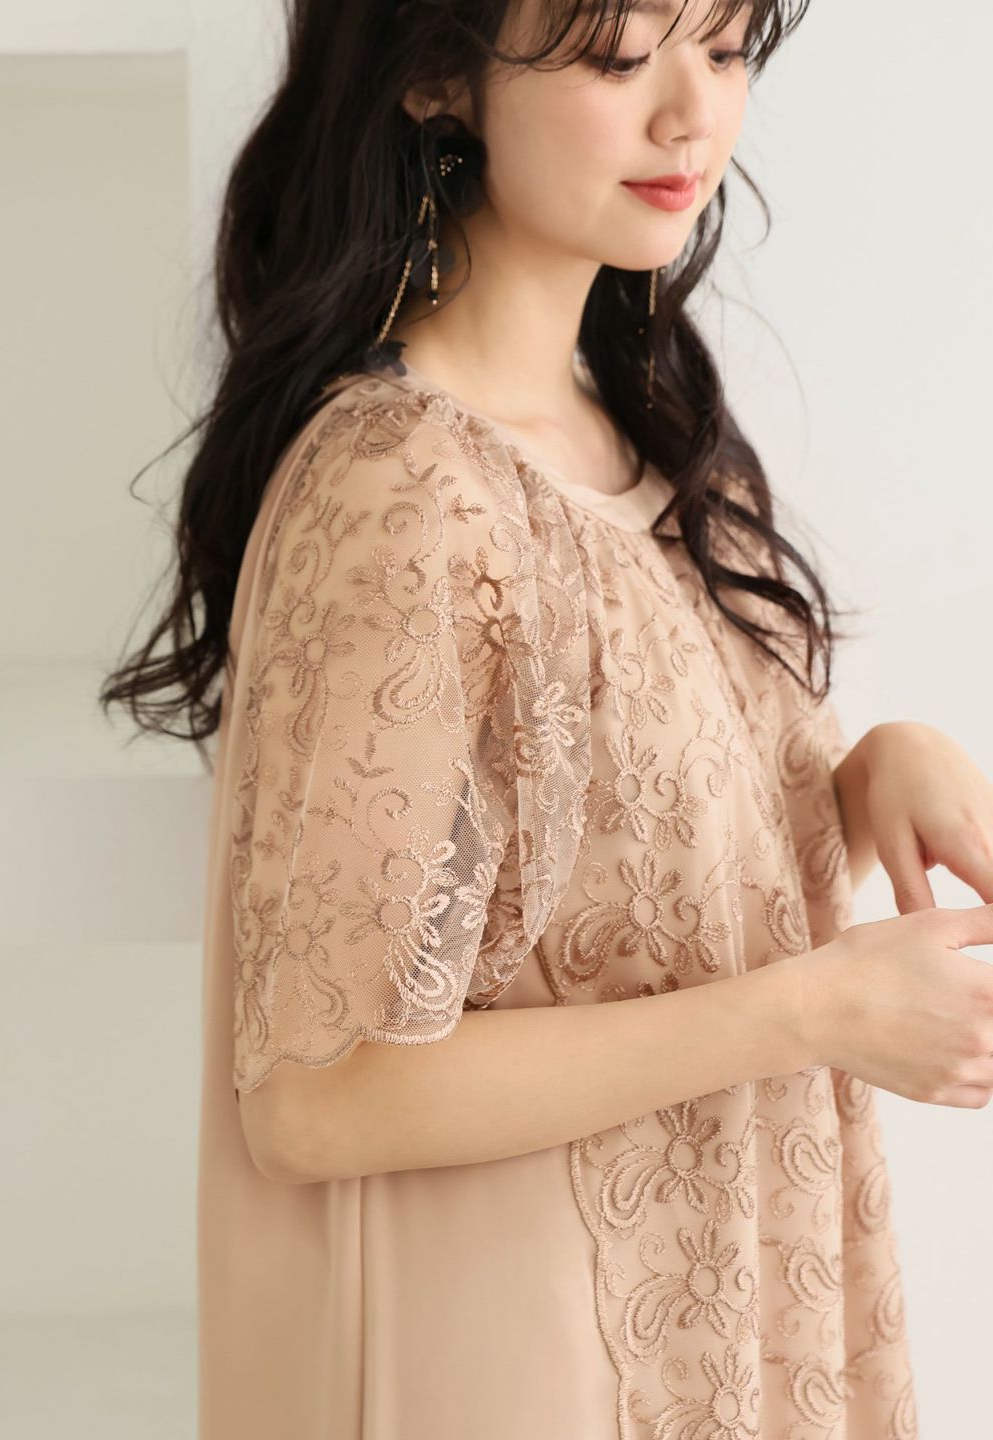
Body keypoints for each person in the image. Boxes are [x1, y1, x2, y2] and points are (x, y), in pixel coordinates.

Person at [100, 1, 993, 1434]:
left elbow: (621, 865)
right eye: (618, 55)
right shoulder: (403, 490)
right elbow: (319, 1096)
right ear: (437, 78)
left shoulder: (659, 448)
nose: (691, 114)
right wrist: (815, 1009)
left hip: (729, 1310)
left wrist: (877, 767)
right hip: (525, 1356)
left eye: (728, 49)